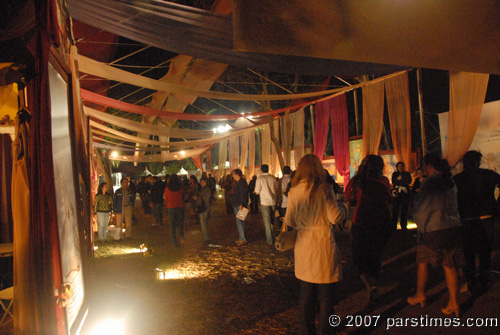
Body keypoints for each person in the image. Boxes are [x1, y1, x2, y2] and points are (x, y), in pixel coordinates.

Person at [284, 154, 342, 335]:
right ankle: (326, 331)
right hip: (322, 244)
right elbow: (335, 217)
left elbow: (290, 220)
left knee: (306, 293)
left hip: (304, 243)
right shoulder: (324, 189)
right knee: (326, 295)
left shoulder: (294, 191)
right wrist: (343, 209)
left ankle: (305, 330)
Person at [407, 153, 464, 317]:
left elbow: (420, 205)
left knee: (423, 260)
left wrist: (418, 222)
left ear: (429, 165)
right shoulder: (450, 181)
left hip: (434, 228)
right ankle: (454, 303)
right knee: (450, 264)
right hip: (453, 226)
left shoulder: (430, 182)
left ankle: (420, 294)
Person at [344, 155, 392, 305]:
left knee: (359, 257)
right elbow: (388, 199)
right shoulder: (383, 181)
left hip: (361, 222)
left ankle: (369, 287)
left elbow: (348, 199)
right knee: (375, 256)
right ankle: (374, 284)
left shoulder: (357, 181)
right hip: (381, 222)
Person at [453, 150, 500, 294]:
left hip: (467, 217)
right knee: (485, 250)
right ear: (477, 162)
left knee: (469, 251)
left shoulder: (458, 178)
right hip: (486, 216)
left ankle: (471, 281)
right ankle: (484, 280)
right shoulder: (489, 174)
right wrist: (497, 204)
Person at [254, 164, 278, 244]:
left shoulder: (260, 179)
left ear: (261, 170)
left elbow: (257, 191)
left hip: (265, 202)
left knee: (267, 221)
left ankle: (269, 239)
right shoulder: (272, 178)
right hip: (273, 201)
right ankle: (271, 236)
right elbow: (276, 187)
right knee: (272, 220)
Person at [164, 174, 185, 246]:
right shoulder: (180, 187)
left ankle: (174, 241)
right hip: (180, 206)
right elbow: (183, 196)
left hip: (171, 207)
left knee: (172, 224)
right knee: (180, 223)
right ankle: (181, 237)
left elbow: (166, 197)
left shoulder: (168, 187)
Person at [392, 162, 412, 231]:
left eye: (402, 166)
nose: (400, 167)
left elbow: (408, 181)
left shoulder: (407, 174)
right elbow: (394, 182)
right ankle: (393, 225)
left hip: (404, 193)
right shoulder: (395, 174)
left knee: (404, 209)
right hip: (397, 192)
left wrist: (400, 181)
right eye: (399, 166)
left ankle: (403, 225)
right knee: (395, 209)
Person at [231, 169, 249, 245]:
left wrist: (241, 204)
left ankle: (242, 239)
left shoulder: (241, 183)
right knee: (241, 221)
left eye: (233, 174)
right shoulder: (241, 182)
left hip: (240, 205)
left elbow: (242, 194)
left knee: (239, 222)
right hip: (240, 204)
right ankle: (242, 237)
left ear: (237, 174)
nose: (232, 176)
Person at [196, 177, 211, 243]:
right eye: (201, 182)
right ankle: (205, 237)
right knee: (204, 222)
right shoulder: (203, 189)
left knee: (203, 223)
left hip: (204, 208)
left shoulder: (206, 190)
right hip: (204, 207)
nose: (202, 183)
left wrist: (198, 197)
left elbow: (205, 199)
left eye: (203, 182)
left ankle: (205, 238)